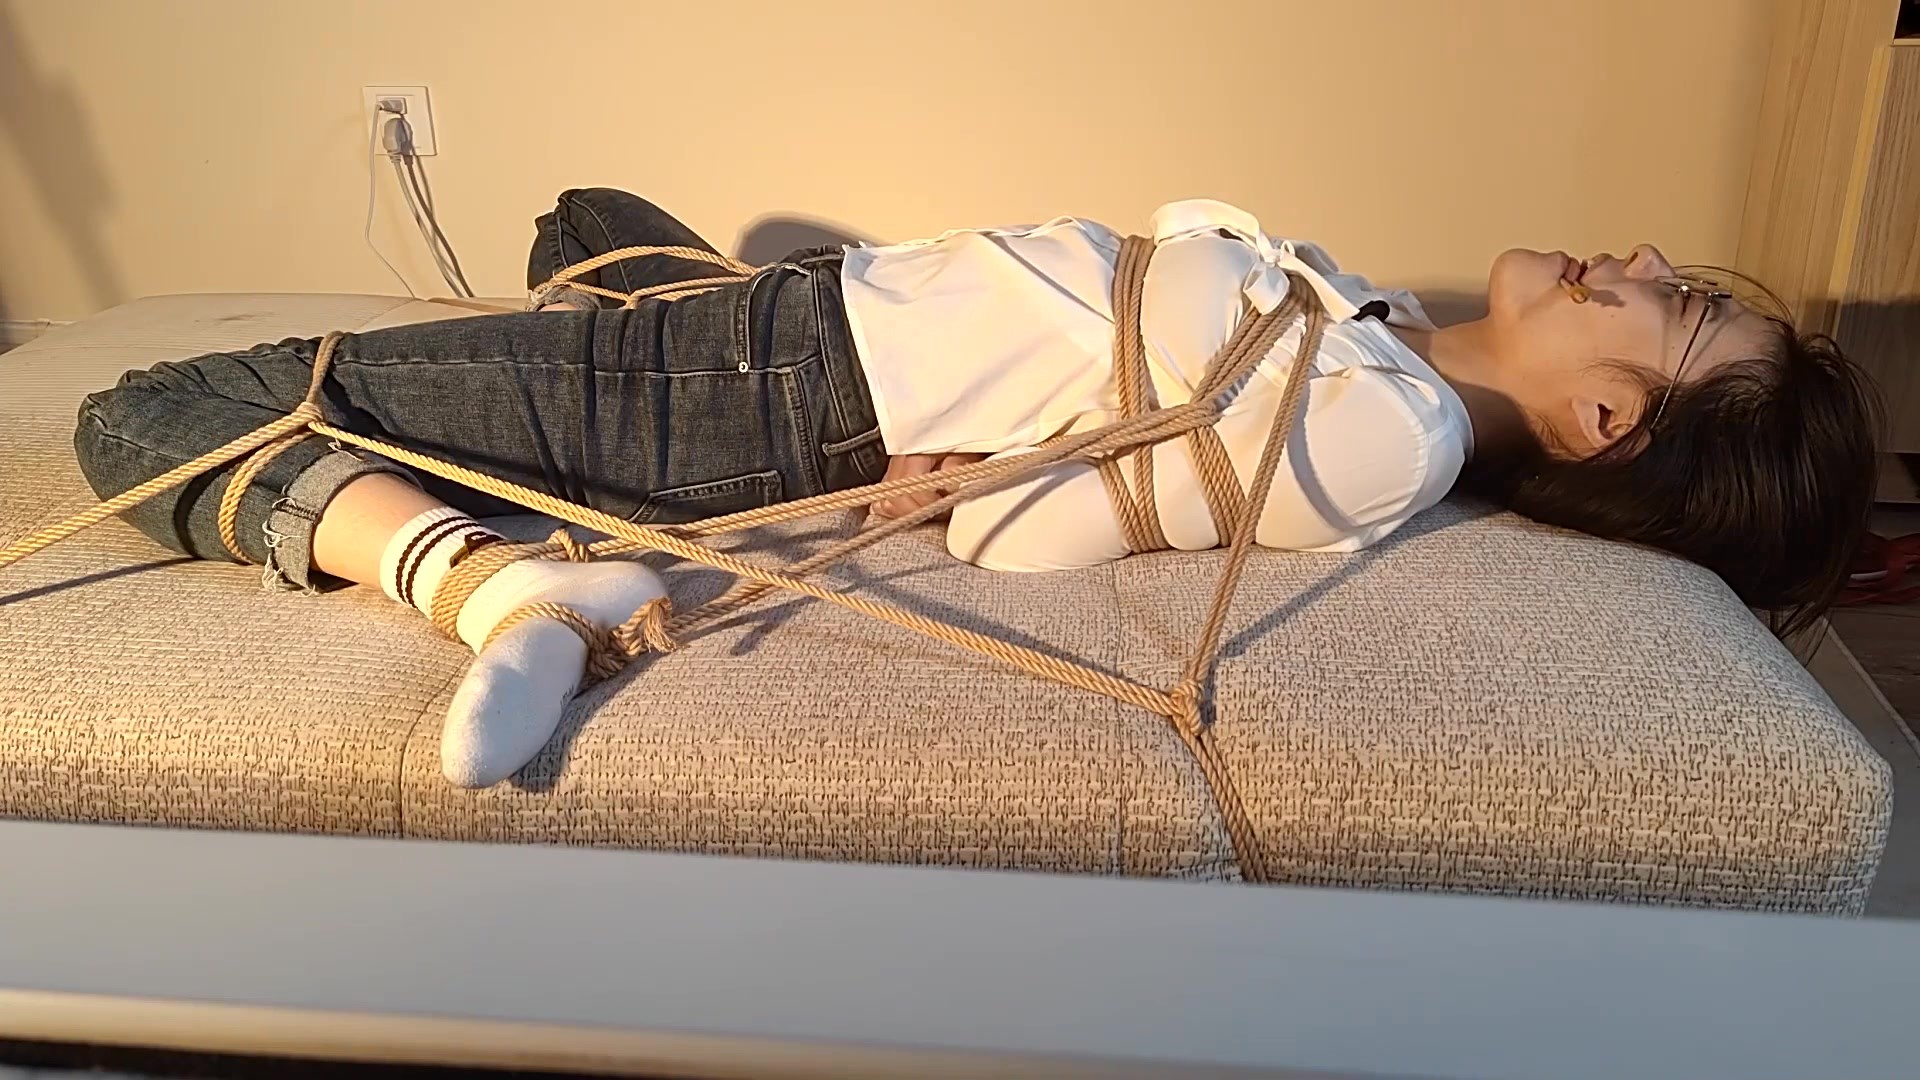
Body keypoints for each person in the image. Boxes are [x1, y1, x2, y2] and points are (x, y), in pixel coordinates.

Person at [72, 188, 1879, 787]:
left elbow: (1040, 524)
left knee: (161, 414)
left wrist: (960, 488)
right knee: (587, 219)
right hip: (798, 329)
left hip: (769, 393)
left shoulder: (1384, 437)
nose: (1648, 260)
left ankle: (497, 585)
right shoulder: (1386, 341)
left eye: (1677, 308)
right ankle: (541, 386)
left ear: (1606, 421)